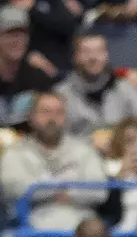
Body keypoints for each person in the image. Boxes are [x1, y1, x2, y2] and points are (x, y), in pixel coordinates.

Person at [0, 91, 106, 232]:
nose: (52, 118)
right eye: (45, 112)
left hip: (81, 224)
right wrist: (61, 190)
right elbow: (15, 190)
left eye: (59, 113)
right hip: (30, 222)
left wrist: (58, 191)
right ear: (31, 117)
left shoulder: (84, 151)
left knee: (95, 228)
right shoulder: (15, 153)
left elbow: (99, 191)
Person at [56, 32, 137, 149]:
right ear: (75, 57)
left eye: (99, 51)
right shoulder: (61, 94)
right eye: (86, 52)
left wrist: (125, 139)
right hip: (82, 153)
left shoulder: (124, 87)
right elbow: (55, 139)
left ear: (106, 55)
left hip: (124, 149)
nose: (93, 57)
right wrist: (89, 142)